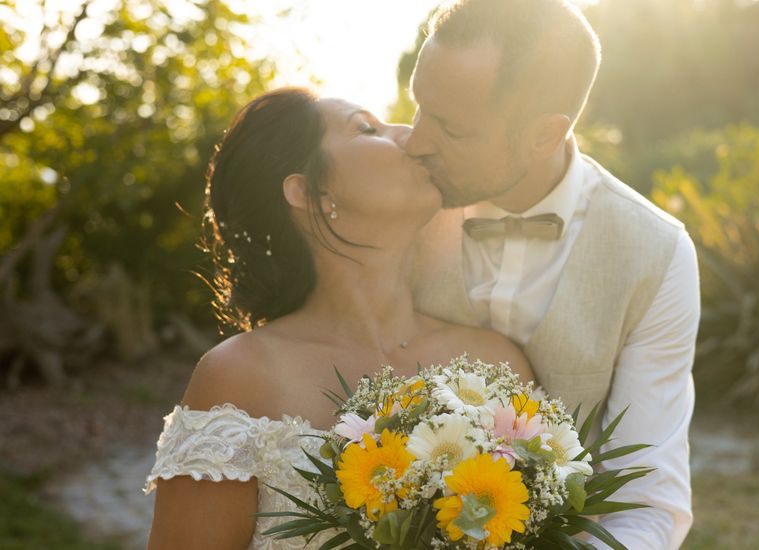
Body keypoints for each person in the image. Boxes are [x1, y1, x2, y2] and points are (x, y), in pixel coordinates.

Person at [142, 87, 534, 550]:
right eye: (366, 128)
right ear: (309, 191)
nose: (410, 135)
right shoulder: (238, 379)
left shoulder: (495, 361)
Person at [406, 1, 701, 548]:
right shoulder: (392, 198)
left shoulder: (657, 254)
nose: (416, 141)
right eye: (417, 106)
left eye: (448, 127)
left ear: (544, 135)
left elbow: (648, 502)